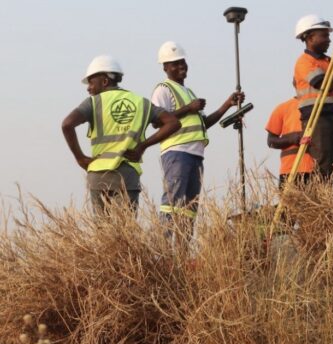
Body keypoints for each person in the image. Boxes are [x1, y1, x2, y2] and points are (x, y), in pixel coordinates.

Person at [62, 55, 180, 213]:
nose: (88, 88)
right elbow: (173, 122)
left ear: (104, 81)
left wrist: (80, 158)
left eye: (91, 82)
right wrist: (142, 146)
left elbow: (67, 124)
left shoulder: (94, 102)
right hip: (128, 177)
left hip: (99, 177)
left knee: (103, 234)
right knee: (124, 234)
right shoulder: (141, 102)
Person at [152, 41, 245, 234]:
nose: (181, 66)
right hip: (177, 151)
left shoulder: (188, 93)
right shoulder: (163, 89)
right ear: (165, 67)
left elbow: (204, 124)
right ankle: (165, 249)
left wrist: (227, 104)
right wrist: (189, 108)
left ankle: (183, 249)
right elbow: (156, 122)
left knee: (189, 207)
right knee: (173, 202)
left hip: (195, 154)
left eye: (182, 62)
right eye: (175, 63)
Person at [293, 14, 333, 182]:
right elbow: (323, 84)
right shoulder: (304, 62)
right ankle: (316, 201)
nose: (329, 40)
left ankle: (322, 197)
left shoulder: (329, 61)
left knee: (332, 166)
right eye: (324, 35)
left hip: (332, 118)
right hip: (317, 118)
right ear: (310, 37)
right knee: (324, 165)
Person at [265, 80, 314, 188]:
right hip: (290, 171)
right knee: (289, 205)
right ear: (295, 84)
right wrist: (293, 138)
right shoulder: (282, 109)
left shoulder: (321, 108)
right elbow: (271, 141)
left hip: (317, 171)